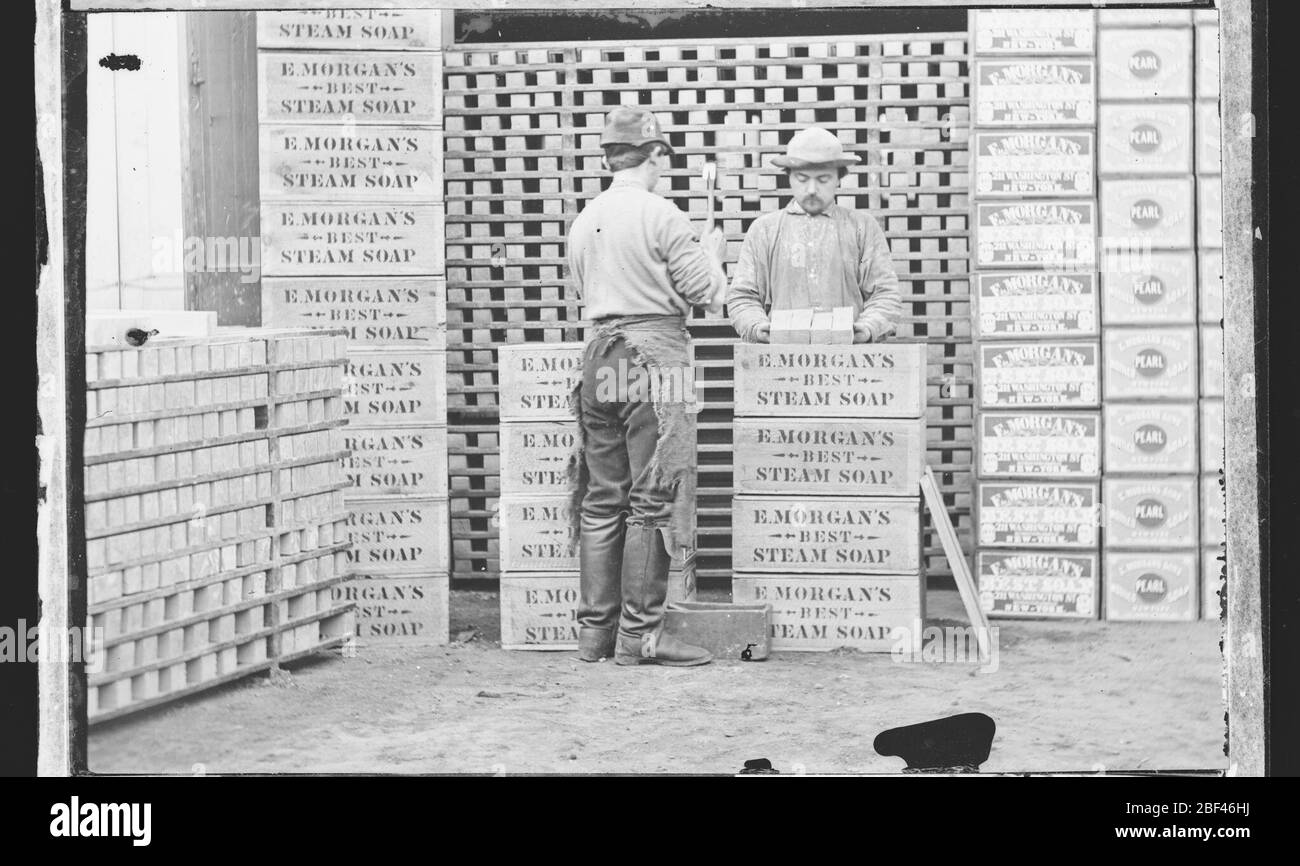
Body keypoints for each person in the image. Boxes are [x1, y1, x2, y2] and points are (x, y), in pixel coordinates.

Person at [565, 106, 726, 667]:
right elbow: (709, 293)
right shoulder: (664, 215)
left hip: (600, 358)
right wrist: (714, 254)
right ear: (655, 156)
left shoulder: (584, 220)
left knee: (603, 496)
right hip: (657, 359)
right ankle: (641, 638)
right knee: (651, 499)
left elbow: (581, 288)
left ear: (610, 159)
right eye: (664, 160)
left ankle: (595, 637)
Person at [726, 126, 902, 344]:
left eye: (823, 179)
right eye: (802, 178)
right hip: (784, 360)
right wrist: (756, 326)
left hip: (850, 362)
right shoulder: (765, 230)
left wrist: (867, 328)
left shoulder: (862, 227)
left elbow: (885, 294)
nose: (811, 189)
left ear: (840, 178)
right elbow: (743, 296)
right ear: (788, 177)